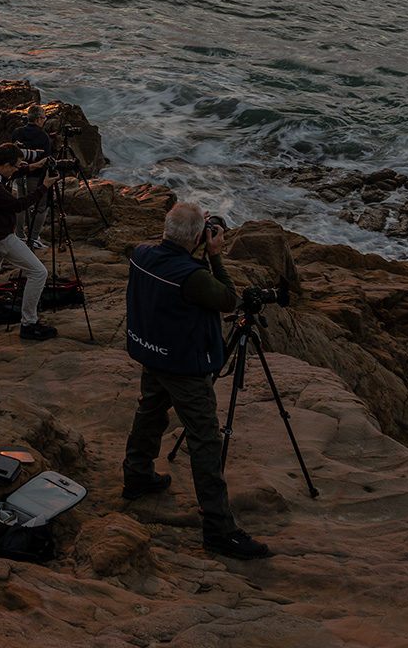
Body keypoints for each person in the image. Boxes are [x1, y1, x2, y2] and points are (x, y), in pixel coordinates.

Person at [121, 202, 274, 561]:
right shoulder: (193, 276)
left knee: (150, 413)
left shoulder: (141, 253)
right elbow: (227, 298)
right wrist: (215, 254)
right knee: (205, 441)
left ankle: (137, 476)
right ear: (196, 238)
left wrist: (194, 244)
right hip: (184, 366)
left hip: (151, 352)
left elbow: (176, 266)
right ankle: (219, 529)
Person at [0, 143, 56, 341]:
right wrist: (44, 187)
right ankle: (29, 324)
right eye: (15, 166)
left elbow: (11, 174)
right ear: (6, 165)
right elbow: (17, 205)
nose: (16, 169)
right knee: (39, 273)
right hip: (2, 237)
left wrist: (34, 166)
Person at [11, 108, 53, 249]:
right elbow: (46, 160)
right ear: (39, 119)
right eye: (44, 118)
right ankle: (34, 238)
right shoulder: (43, 136)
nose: (44, 120)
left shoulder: (17, 133)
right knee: (41, 207)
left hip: (19, 174)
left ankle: (20, 236)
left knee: (21, 206)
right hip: (36, 178)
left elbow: (12, 154)